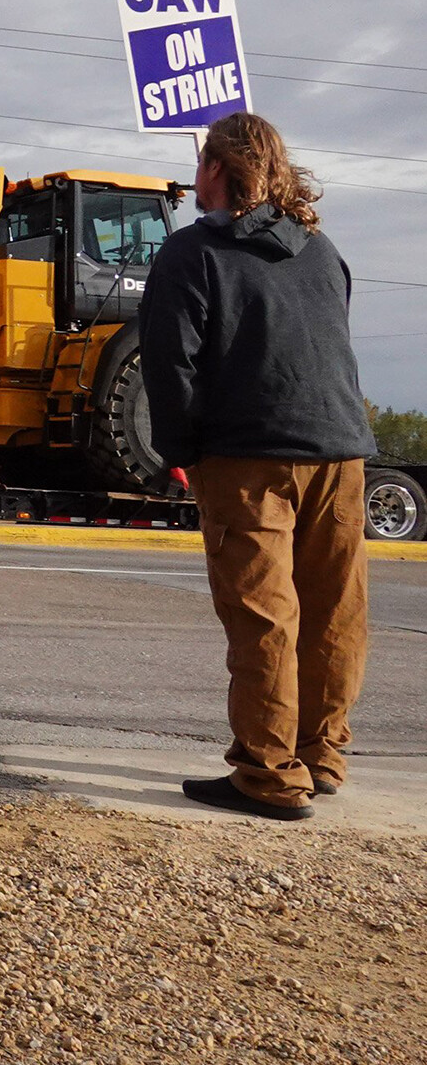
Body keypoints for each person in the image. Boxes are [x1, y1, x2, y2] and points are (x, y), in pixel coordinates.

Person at [140, 110, 376, 822]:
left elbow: (168, 363)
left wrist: (179, 453)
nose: (194, 176)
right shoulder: (319, 247)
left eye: (201, 162)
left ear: (217, 168)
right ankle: (322, 755)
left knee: (263, 616)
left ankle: (270, 775)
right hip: (340, 450)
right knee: (336, 611)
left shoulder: (191, 253)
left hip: (249, 456)